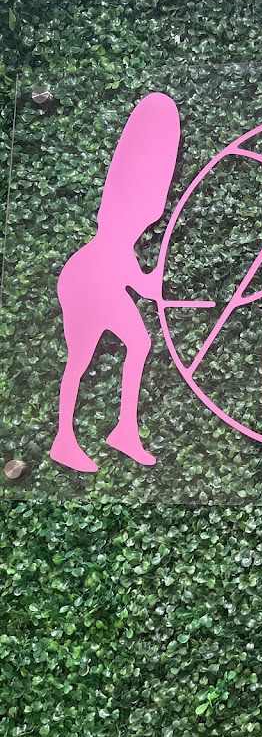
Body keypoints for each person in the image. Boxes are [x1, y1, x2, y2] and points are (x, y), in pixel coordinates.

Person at [50, 92, 180, 472]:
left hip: (98, 274)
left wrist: (147, 281)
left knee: (135, 344)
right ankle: (65, 439)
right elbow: (118, 252)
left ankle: (121, 431)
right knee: (82, 358)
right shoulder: (127, 202)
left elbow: (134, 271)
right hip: (90, 276)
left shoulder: (145, 205)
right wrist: (146, 283)